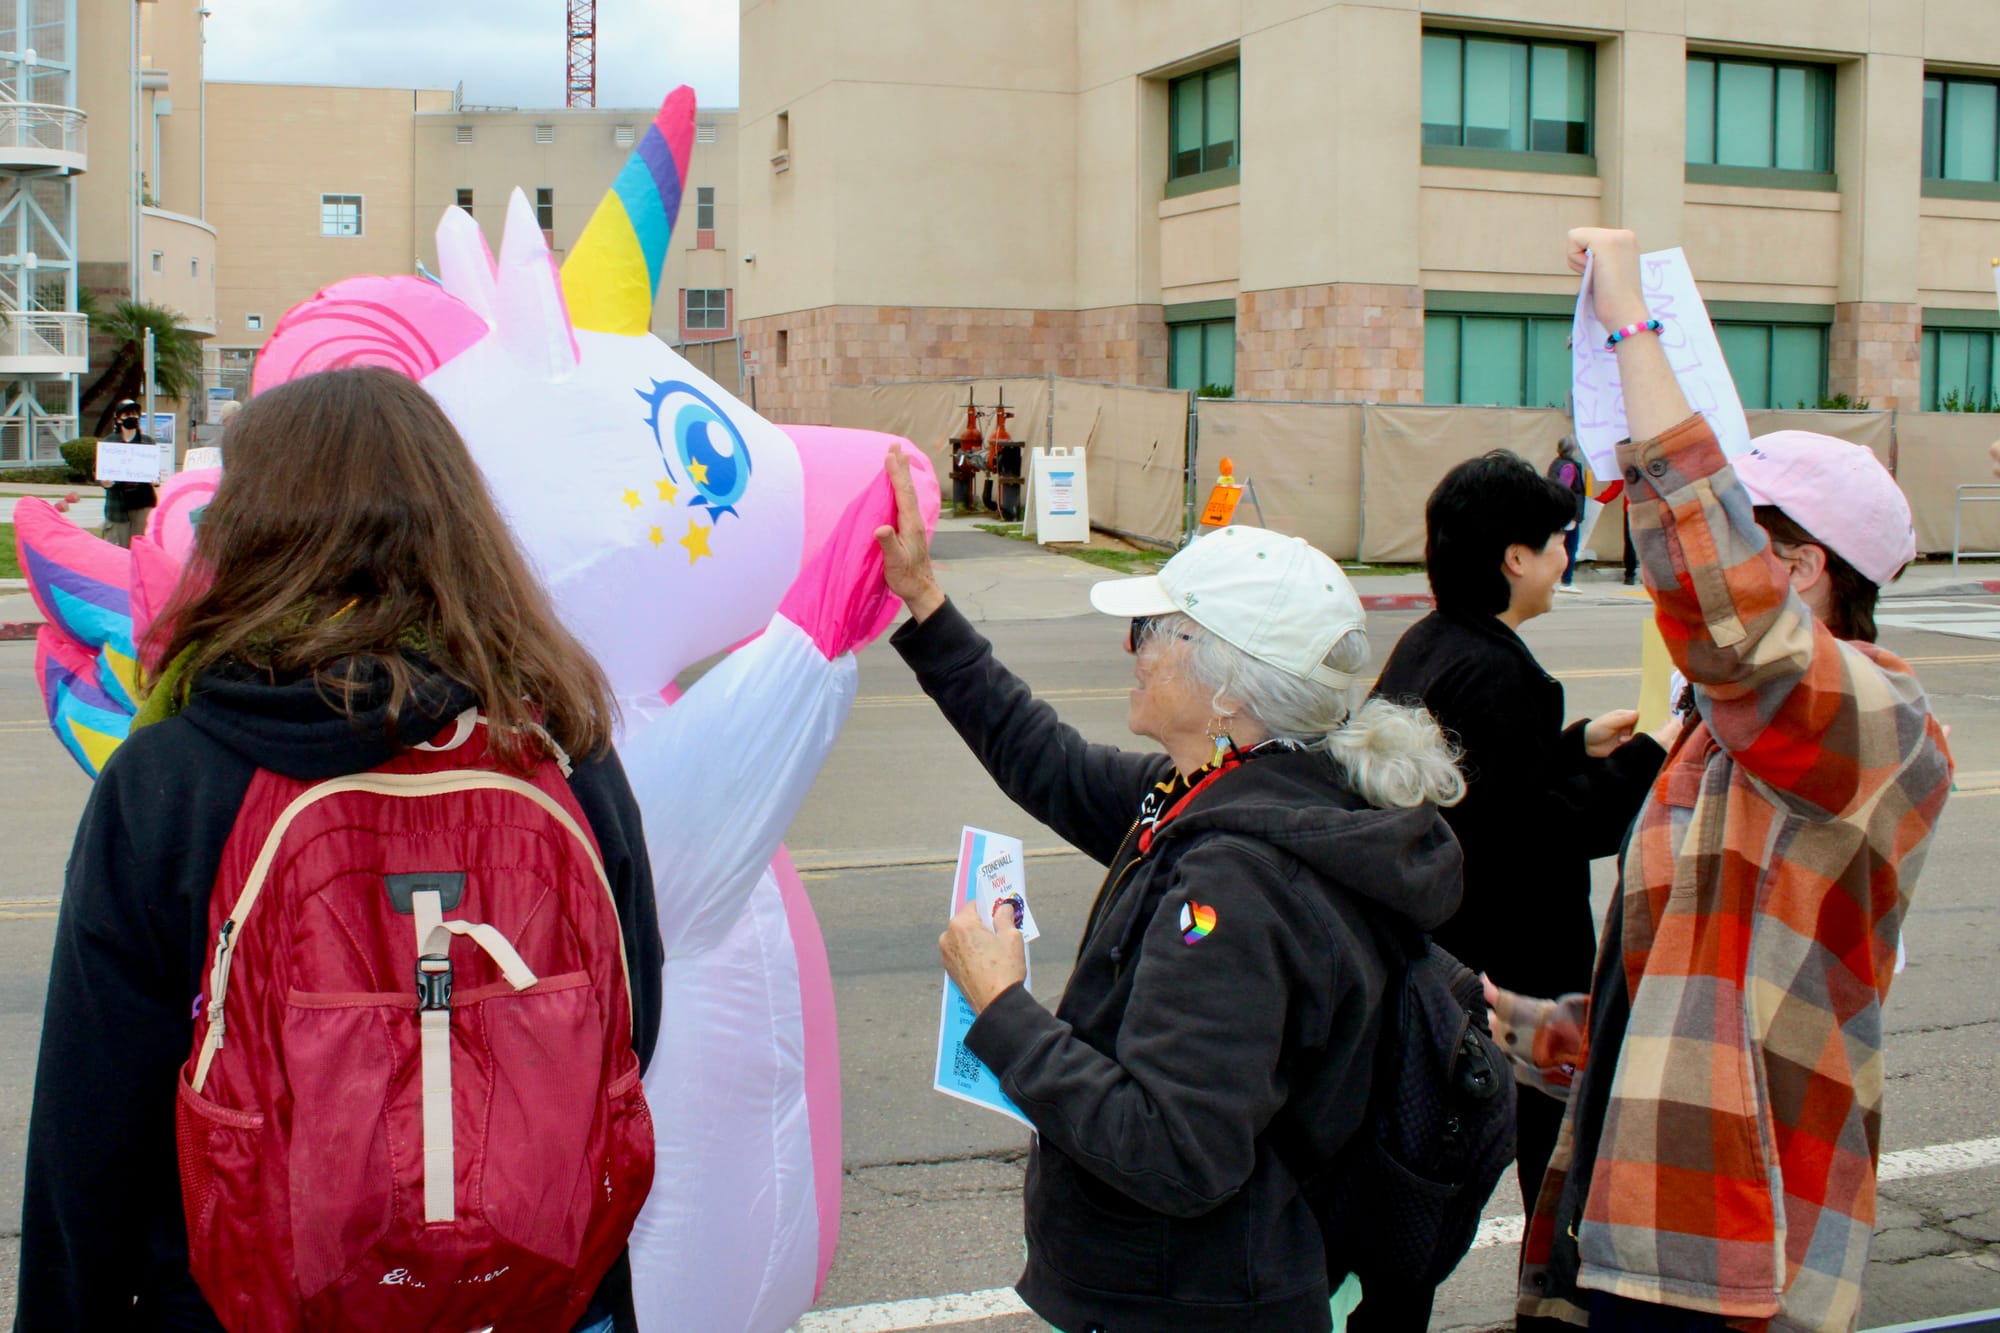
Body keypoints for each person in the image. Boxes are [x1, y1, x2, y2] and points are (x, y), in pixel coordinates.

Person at [17, 368, 666, 1331]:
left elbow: (92, 1122)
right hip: (530, 1292)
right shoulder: (559, 744)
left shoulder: (176, 772)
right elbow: (631, 1015)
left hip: (236, 1300)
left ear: (247, 532)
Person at [875, 463, 1469, 1333]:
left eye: (1155, 629)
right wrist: (926, 601)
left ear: (1228, 685)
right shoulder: (1252, 789)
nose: (1133, 648)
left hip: (1189, 1299)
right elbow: (1046, 758)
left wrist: (1000, 1007)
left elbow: (1176, 1150)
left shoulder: (1239, 877)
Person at [1494, 228, 1952, 1332]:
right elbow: (1676, 1004)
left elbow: (1723, 610)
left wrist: (1630, 328)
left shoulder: (1879, 722)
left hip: (1736, 1251)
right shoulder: (1720, 740)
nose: (1673, 550)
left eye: (1747, 532)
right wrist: (1514, 1022)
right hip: (1633, 1227)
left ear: (1798, 571)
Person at [1371, 451, 1673, 1225]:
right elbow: (1549, 832)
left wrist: (1573, 747)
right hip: (1517, 974)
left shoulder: (1433, 644)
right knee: (1557, 1164)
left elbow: (1480, 788)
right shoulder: (1501, 674)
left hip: (1438, 952)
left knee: (1412, 1182)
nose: (1563, 558)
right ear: (1515, 558)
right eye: (1556, 541)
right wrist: (1652, 754)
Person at [99, 397, 159, 547]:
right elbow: (100, 471)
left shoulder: (147, 442)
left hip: (142, 503)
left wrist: (155, 478)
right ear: (118, 419)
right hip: (117, 505)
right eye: (126, 415)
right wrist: (104, 482)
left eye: (134, 414)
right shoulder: (110, 443)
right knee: (118, 549)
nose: (131, 418)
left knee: (142, 547)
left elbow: (154, 471)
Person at [1548, 435, 1588, 592]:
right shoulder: (1569, 467)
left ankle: (1556, 580)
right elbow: (1564, 490)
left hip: (1559, 511)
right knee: (1570, 547)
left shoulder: (1556, 464)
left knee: (1557, 545)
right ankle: (1567, 581)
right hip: (1568, 513)